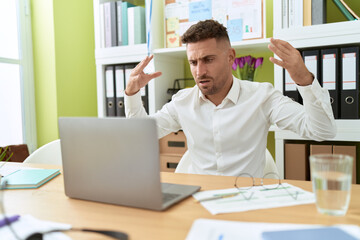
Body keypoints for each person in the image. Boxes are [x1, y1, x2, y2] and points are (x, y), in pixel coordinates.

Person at [124, 20, 336, 177]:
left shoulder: (262, 96)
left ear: (230, 57)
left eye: (208, 60)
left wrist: (303, 79)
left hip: (247, 199)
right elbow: (140, 136)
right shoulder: (183, 101)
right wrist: (132, 94)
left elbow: (323, 130)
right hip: (200, 198)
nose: (200, 71)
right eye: (193, 62)